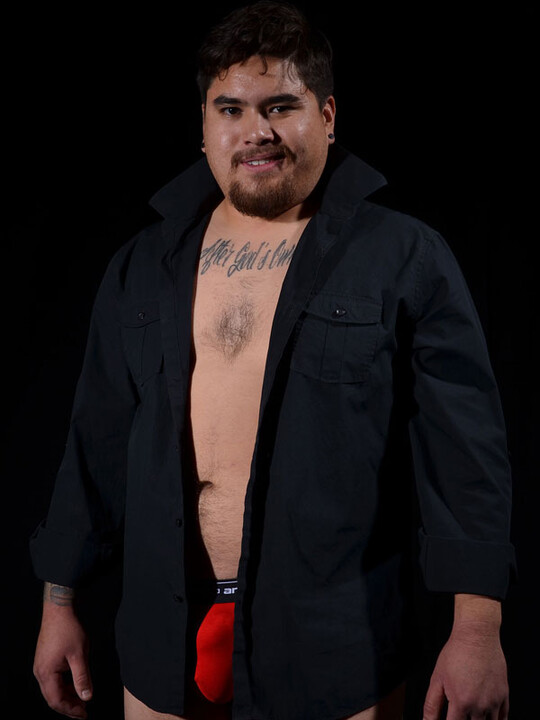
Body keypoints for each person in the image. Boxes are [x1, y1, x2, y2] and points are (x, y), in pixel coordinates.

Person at [31, 2, 516, 719]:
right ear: (204, 126)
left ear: (327, 115)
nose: (255, 130)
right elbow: (94, 443)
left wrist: (476, 629)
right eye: (230, 109)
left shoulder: (403, 256)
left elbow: (464, 453)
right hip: (164, 634)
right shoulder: (141, 267)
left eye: (280, 106)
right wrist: (58, 601)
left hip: (333, 643)